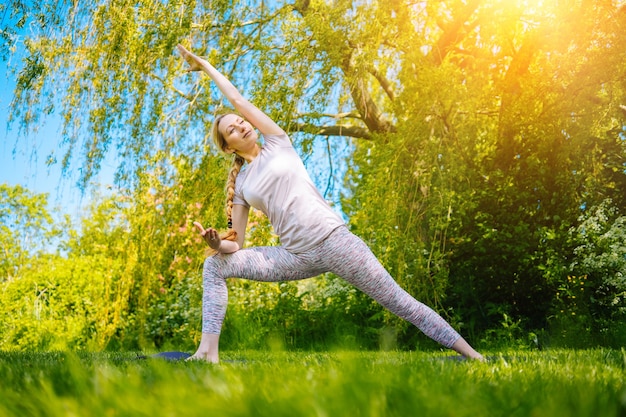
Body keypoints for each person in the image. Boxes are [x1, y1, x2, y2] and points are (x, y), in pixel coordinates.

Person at [176, 44, 484, 363]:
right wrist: (217, 243)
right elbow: (236, 245)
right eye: (232, 130)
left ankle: (473, 355)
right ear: (229, 147)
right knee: (214, 263)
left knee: (401, 303)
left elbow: (238, 100)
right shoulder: (241, 184)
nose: (240, 125)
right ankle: (207, 354)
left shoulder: (278, 142)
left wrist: (206, 66)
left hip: (336, 242)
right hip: (295, 255)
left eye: (239, 121)